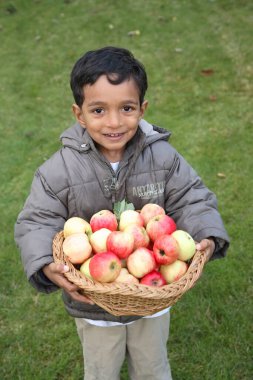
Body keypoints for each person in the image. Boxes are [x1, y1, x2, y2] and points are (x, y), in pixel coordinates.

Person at [14, 46, 230, 380]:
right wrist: (45, 263)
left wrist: (207, 237)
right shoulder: (59, 171)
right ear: (79, 114)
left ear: (142, 109)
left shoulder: (162, 157)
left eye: (126, 108)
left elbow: (192, 197)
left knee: (153, 367)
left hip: (152, 296)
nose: (114, 122)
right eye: (98, 110)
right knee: (101, 371)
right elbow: (37, 220)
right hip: (93, 302)